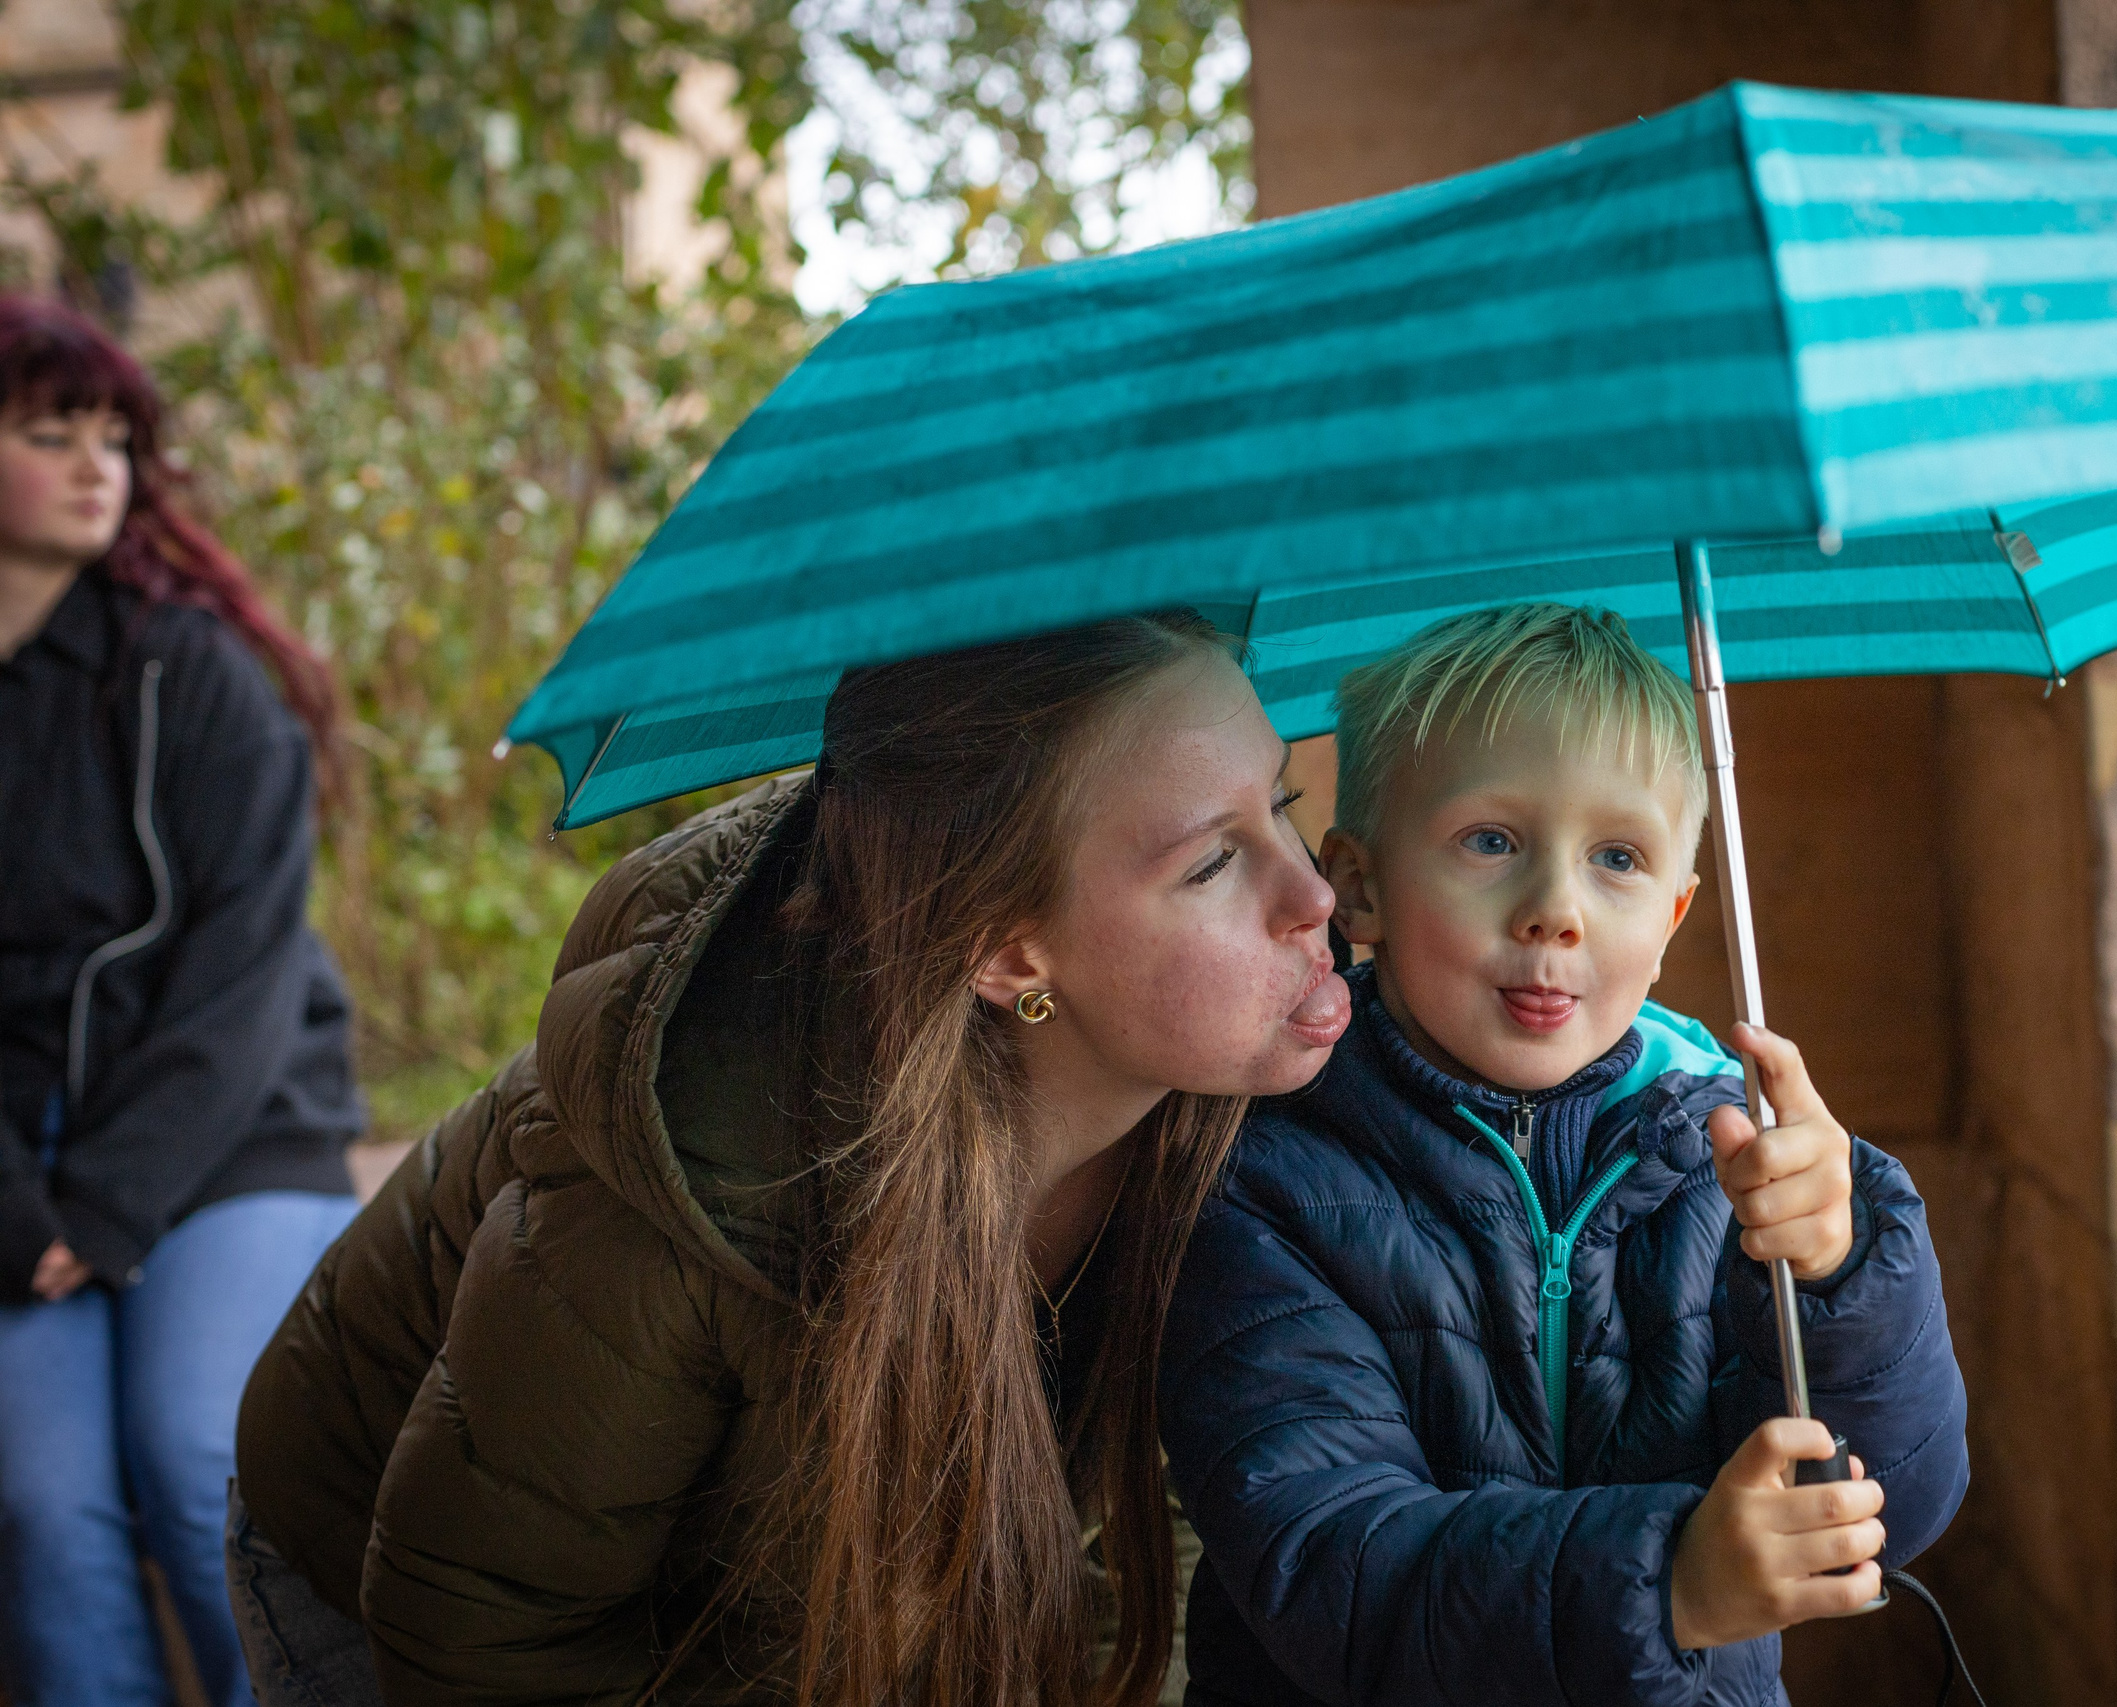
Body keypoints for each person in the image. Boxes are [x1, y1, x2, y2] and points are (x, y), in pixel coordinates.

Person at [229, 611, 1353, 1706]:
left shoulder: (1230, 1103)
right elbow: (483, 1635)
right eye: (1213, 863)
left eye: (1283, 805)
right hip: (390, 1563)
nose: (1313, 895)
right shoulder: (715, 1174)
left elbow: (1145, 1527)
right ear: (1012, 954)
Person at [1159, 603, 1970, 1706]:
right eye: (1491, 841)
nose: (1555, 911)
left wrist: (1841, 1275)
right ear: (1358, 886)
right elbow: (1331, 1568)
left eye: (1617, 858)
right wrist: (1669, 1582)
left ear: (1674, 915)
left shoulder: (1732, 1160)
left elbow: (1890, 1510)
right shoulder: (1266, 1179)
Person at [0, 295, 367, 1707]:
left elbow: (247, 970)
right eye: (53, 433)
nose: (97, 465)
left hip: (230, 1136)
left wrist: (107, 1203)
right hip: (24, 1173)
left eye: (115, 438)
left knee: (197, 1450)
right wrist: (23, 1209)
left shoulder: (190, 674)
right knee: (41, 1507)